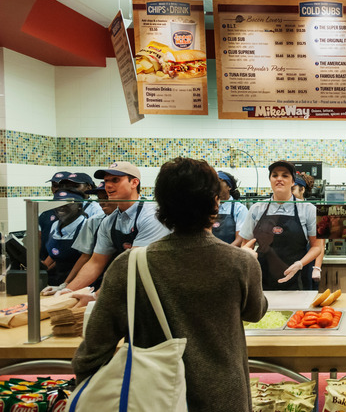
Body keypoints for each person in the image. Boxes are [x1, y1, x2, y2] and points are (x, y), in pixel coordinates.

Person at [71, 157, 267, 412]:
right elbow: (254, 312)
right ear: (215, 203)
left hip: (150, 398)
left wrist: (87, 391)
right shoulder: (240, 262)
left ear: (161, 205)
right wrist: (253, 265)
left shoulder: (129, 264)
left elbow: (93, 350)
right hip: (222, 398)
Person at [57, 161, 170, 294]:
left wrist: (97, 296)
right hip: (128, 286)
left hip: (158, 289)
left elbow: (133, 264)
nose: (108, 186)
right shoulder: (109, 221)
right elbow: (96, 263)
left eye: (115, 180)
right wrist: (68, 290)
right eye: (106, 181)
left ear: (134, 183)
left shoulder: (151, 215)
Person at [238, 160, 322, 290]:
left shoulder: (308, 209)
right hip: (262, 279)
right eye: (275, 175)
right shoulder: (257, 209)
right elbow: (246, 244)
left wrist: (300, 264)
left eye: (285, 175)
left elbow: (317, 246)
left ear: (293, 181)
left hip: (297, 279)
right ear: (270, 179)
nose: (279, 179)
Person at [41, 182, 118, 295]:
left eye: (106, 197)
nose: (102, 202)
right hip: (90, 282)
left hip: (114, 282)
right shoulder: (94, 222)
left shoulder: (139, 219)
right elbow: (86, 258)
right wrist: (65, 285)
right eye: (99, 198)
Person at [42, 189, 89, 286]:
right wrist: (40, 270)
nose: (61, 207)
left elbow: (85, 258)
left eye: (66, 203)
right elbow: (55, 255)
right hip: (55, 280)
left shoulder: (86, 225)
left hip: (77, 281)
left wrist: (66, 284)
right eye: (57, 203)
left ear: (79, 206)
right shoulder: (55, 225)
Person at [291, 175, 325, 289]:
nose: (290, 193)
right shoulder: (284, 208)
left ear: (302, 189)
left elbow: (320, 243)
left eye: (293, 189)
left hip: (308, 263)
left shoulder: (310, 209)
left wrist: (317, 268)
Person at [212, 171, 249, 245]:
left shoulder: (239, 209)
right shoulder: (208, 207)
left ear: (229, 186)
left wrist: (226, 253)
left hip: (231, 253)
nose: (214, 185)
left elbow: (240, 239)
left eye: (218, 181)